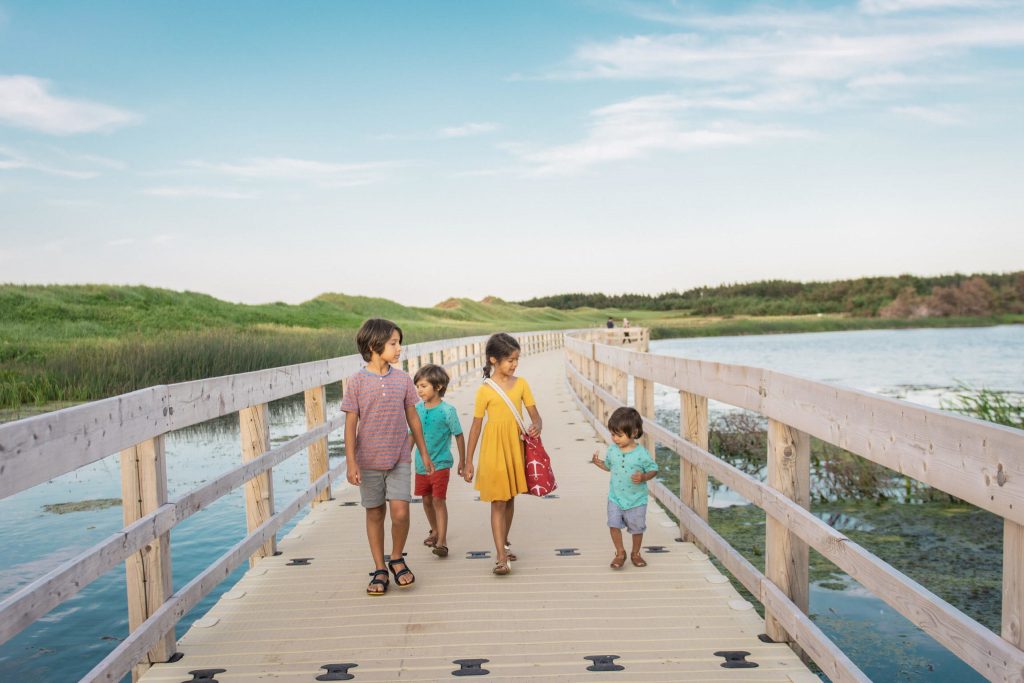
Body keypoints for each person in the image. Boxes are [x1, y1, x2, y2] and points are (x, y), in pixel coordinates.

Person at [342, 318, 434, 595]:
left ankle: (396, 557)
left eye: (399, 343)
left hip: (399, 457)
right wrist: (351, 462)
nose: (399, 349)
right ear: (374, 345)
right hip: (368, 459)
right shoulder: (357, 382)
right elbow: (350, 426)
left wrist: (424, 453)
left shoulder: (404, 379)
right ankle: (380, 568)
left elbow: (414, 419)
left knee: (401, 511)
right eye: (393, 343)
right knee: (375, 512)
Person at [462, 333, 543, 576]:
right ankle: (500, 556)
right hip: (493, 449)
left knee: (509, 499)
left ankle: (504, 543)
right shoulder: (484, 390)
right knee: (498, 500)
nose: (514, 364)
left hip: (515, 446)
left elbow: (535, 415)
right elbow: (476, 425)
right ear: (493, 360)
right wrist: (468, 461)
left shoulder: (522, 384)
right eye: (510, 359)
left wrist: (538, 424)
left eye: (516, 359)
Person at [591, 407, 658, 569]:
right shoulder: (612, 450)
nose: (615, 439)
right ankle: (620, 553)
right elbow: (609, 466)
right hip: (615, 497)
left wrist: (643, 477)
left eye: (619, 435)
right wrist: (598, 463)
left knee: (637, 529)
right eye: (613, 434)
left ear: (634, 433)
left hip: (636, 499)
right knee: (613, 524)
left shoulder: (641, 453)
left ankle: (635, 553)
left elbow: (653, 469)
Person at [412, 363, 465, 559]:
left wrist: (462, 461)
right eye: (417, 386)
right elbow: (411, 435)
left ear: (438, 387)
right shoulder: (416, 409)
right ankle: (434, 530)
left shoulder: (447, 411)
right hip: (420, 465)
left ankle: (442, 541)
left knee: (438, 500)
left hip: (441, 463)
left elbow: (458, 435)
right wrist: (403, 459)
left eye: (423, 385)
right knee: (426, 500)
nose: (419, 389)